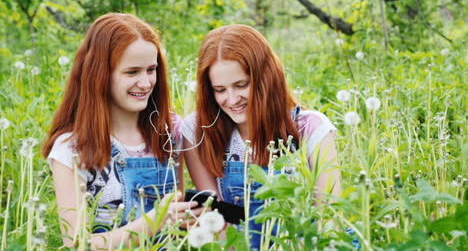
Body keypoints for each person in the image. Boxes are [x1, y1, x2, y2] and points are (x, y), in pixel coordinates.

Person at [42, 13, 200, 249]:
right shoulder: (72, 148)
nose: (146, 83)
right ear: (100, 75)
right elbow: (76, 244)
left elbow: (174, 227)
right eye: (132, 72)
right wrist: (152, 222)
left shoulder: (169, 133)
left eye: (151, 69)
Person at [182, 24, 341, 250]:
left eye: (241, 85)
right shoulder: (199, 130)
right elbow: (218, 224)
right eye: (220, 89)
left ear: (266, 79)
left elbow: (329, 218)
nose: (232, 99)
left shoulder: (310, 128)